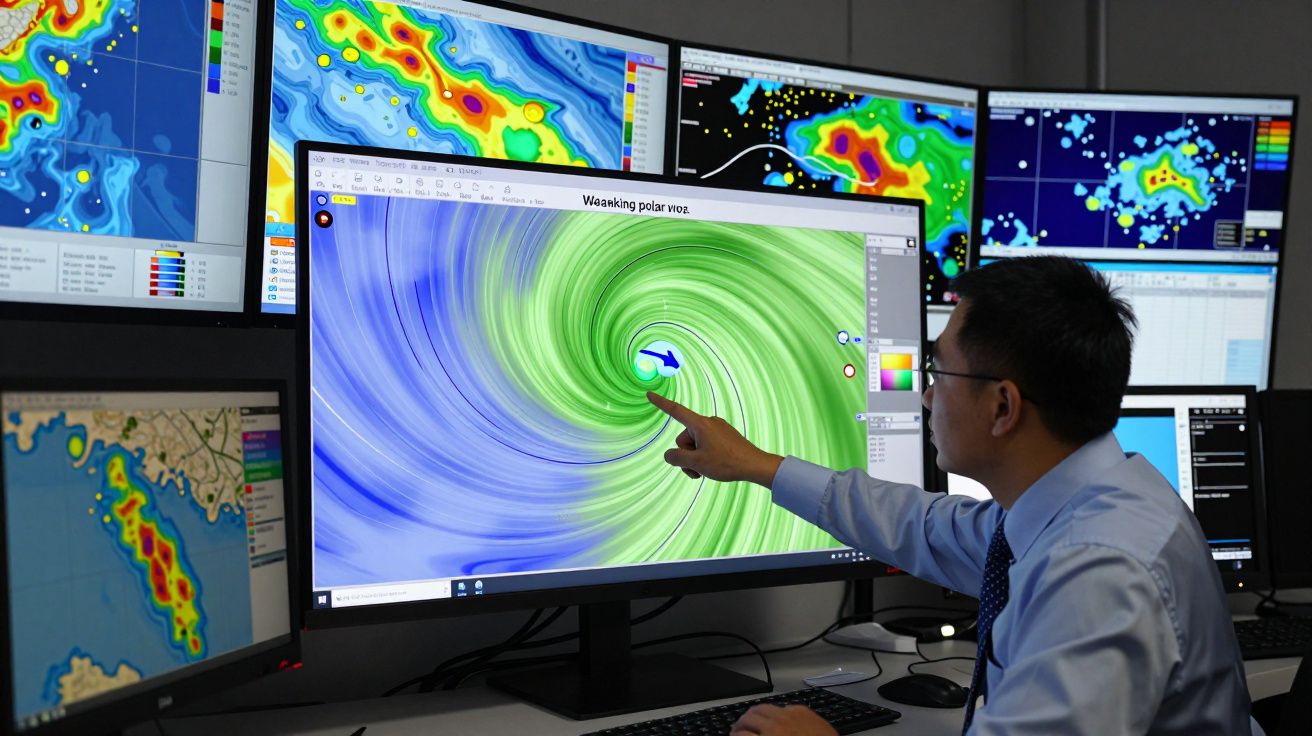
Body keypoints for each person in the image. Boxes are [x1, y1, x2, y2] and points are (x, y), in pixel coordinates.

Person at [647, 256, 1254, 735]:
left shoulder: (1099, 575)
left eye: (940, 374)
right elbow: (928, 526)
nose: (927, 397)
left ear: (1002, 406)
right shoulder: (1097, 498)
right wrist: (760, 466)